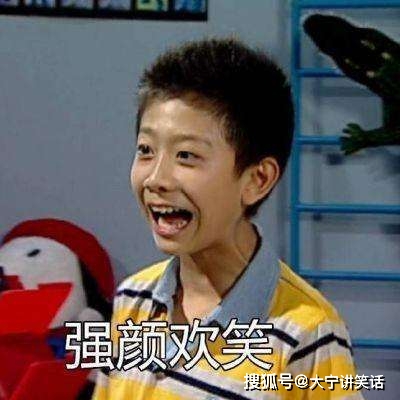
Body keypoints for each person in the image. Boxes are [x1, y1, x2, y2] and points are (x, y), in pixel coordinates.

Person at [92, 37, 362, 400]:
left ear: (257, 180)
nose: (156, 179)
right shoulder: (131, 300)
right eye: (146, 150)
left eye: (186, 155)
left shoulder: (309, 333)